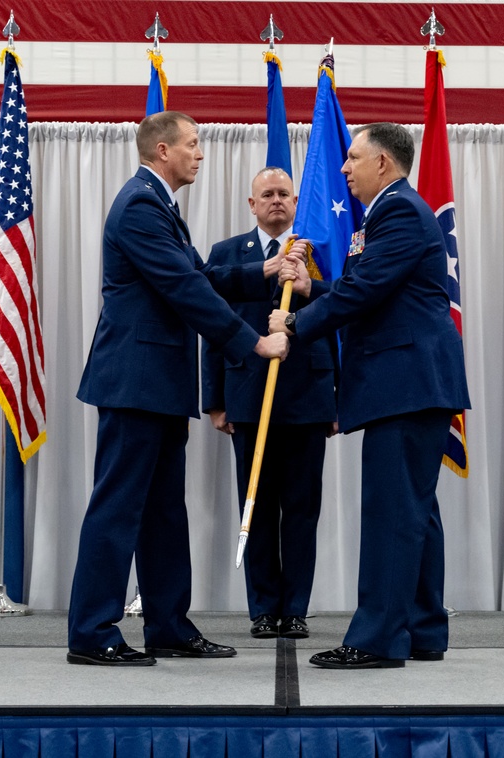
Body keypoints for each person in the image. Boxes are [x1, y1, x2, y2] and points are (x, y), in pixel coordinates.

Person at [68, 111, 291, 667]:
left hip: (159, 383)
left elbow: (202, 274)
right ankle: (92, 632)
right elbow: (184, 288)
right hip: (134, 381)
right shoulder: (141, 204)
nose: (200, 153)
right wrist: (253, 344)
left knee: (165, 510)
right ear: (162, 149)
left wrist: (266, 272)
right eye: (192, 144)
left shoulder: (160, 205)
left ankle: (168, 625)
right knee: (118, 507)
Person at [270, 122, 470, 669]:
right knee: (414, 512)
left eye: (353, 158)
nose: (343, 167)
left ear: (382, 162)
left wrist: (291, 323)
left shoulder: (400, 210)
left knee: (391, 512)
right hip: (409, 382)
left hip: (404, 382)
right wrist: (314, 288)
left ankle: (377, 638)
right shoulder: (388, 213)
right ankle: (423, 629)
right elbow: (372, 285)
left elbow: (367, 289)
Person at [202, 167, 337, 640]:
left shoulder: (317, 254)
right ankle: (263, 608)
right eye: (267, 195)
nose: (276, 201)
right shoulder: (225, 255)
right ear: (251, 203)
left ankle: (295, 608)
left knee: (302, 508)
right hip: (247, 395)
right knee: (255, 506)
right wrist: (214, 401)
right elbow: (212, 329)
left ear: (297, 201)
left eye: (284, 194)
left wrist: (337, 398)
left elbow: (338, 320)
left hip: (308, 396)